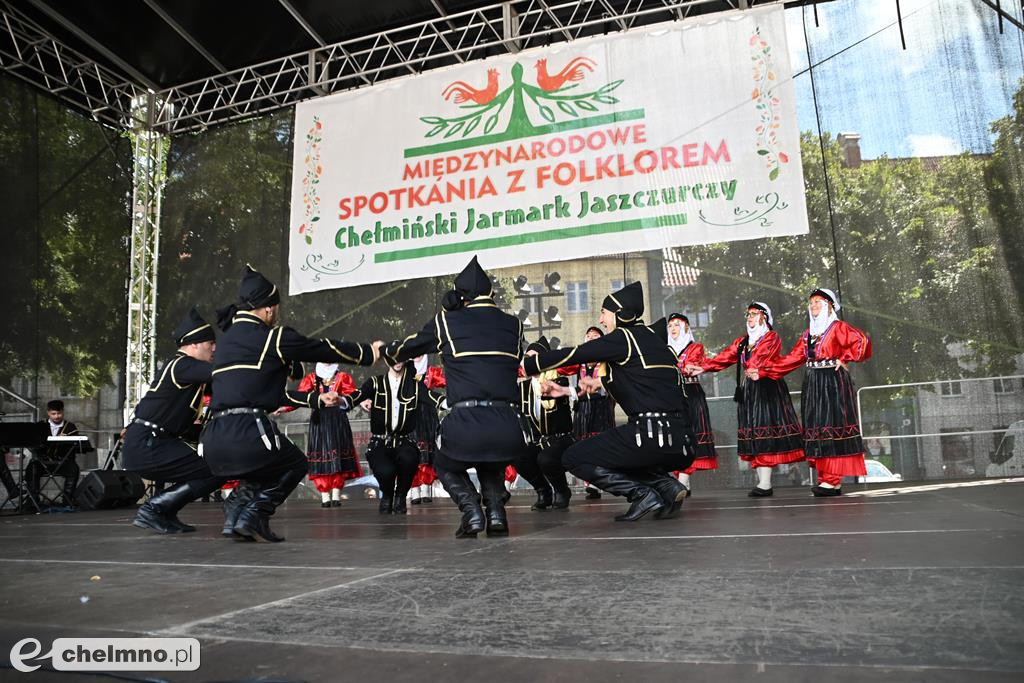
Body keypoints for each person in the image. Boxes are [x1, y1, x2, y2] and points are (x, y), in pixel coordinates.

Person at [201, 265, 379, 542]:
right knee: (294, 463)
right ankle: (255, 513)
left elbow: (268, 393)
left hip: (214, 438)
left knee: (262, 467)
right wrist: (367, 352)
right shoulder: (273, 336)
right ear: (269, 310)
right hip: (249, 431)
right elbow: (320, 347)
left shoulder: (225, 344)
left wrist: (313, 398)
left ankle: (235, 513)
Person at [383, 256, 529, 538]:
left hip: (466, 423)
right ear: (492, 293)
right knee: (491, 457)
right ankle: (496, 513)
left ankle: (471, 510)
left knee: (445, 463)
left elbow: (402, 351)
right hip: (509, 426)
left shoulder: (446, 322)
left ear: (460, 297)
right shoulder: (514, 325)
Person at [524, 282, 692, 522]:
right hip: (682, 441)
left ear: (621, 314)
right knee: (617, 451)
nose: (602, 320)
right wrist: (594, 385)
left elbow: (576, 353)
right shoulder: (653, 340)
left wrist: (530, 364)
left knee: (573, 457)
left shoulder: (624, 337)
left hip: (649, 435)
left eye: (604, 313)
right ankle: (667, 486)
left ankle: (641, 494)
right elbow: (645, 378)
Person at [122, 307, 225, 533]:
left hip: (152, 441)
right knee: (216, 468)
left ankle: (164, 512)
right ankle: (153, 509)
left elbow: (224, 386)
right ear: (194, 344)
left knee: (216, 465)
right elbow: (223, 373)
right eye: (210, 343)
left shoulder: (186, 370)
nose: (214, 348)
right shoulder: (182, 365)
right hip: (148, 444)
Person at [687, 302, 803, 497]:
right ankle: (763, 483)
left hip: (767, 389)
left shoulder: (770, 337)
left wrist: (759, 370)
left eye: (754, 314)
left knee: (763, 431)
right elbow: (726, 356)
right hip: (750, 389)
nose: (749, 317)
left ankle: (765, 484)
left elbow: (762, 359)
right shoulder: (744, 341)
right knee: (753, 434)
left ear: (764, 317)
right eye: (748, 314)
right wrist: (704, 367)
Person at [769, 288, 873, 496]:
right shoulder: (809, 335)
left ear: (829, 306)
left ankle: (831, 479)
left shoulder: (838, 328)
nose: (814, 306)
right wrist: (764, 369)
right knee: (817, 427)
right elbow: (792, 358)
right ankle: (829, 481)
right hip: (814, 382)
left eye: (819, 302)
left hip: (832, 381)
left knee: (831, 425)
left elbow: (862, 341)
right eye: (812, 303)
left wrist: (845, 357)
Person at [349, 360, 445, 514]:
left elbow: (431, 396)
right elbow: (355, 396)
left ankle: (401, 495)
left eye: (401, 358)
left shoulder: (413, 385)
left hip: (405, 440)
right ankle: (387, 494)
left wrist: (453, 402)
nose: (398, 362)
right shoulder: (376, 382)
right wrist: (342, 400)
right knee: (385, 471)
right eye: (394, 357)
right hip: (380, 441)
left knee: (409, 460)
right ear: (387, 360)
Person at [279, 362, 362, 508]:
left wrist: (365, 401)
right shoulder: (311, 378)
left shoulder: (342, 377)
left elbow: (354, 395)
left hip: (338, 419)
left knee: (338, 456)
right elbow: (300, 397)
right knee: (321, 455)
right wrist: (283, 407)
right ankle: (324, 495)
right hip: (319, 420)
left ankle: (336, 494)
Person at [518, 336, 575, 510]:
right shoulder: (523, 386)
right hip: (538, 439)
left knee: (546, 458)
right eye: (528, 358)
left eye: (535, 357)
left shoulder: (558, 379)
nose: (530, 361)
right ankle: (543, 491)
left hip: (561, 438)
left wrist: (552, 388)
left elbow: (563, 397)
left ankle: (562, 490)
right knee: (519, 456)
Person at [666, 313, 716, 496]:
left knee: (691, 436)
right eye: (670, 325)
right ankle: (683, 483)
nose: (672, 328)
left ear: (686, 328)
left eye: (677, 325)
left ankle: (682, 482)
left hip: (691, 395)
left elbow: (690, 365)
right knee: (676, 438)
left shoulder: (695, 347)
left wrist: (674, 368)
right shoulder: (665, 350)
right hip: (671, 396)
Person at [567, 326, 616, 499]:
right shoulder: (580, 360)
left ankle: (598, 482)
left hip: (601, 406)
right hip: (583, 407)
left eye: (595, 336)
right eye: (588, 336)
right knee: (583, 443)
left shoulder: (607, 361)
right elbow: (562, 367)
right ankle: (591, 482)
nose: (591, 338)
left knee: (599, 443)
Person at [26, 399, 89, 507]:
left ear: (63, 412)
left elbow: (77, 448)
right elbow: (32, 445)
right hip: (43, 462)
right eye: (53, 414)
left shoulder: (70, 427)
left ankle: (67, 500)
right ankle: (33, 500)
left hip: (62, 462)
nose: (56, 416)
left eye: (59, 413)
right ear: (48, 413)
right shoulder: (40, 426)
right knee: (32, 468)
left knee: (73, 469)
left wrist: (67, 439)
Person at [409, 358, 444, 504]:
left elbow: (448, 381)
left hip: (427, 414)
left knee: (426, 452)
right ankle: (414, 491)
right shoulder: (404, 370)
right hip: (409, 414)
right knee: (411, 453)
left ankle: (425, 489)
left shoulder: (432, 371)